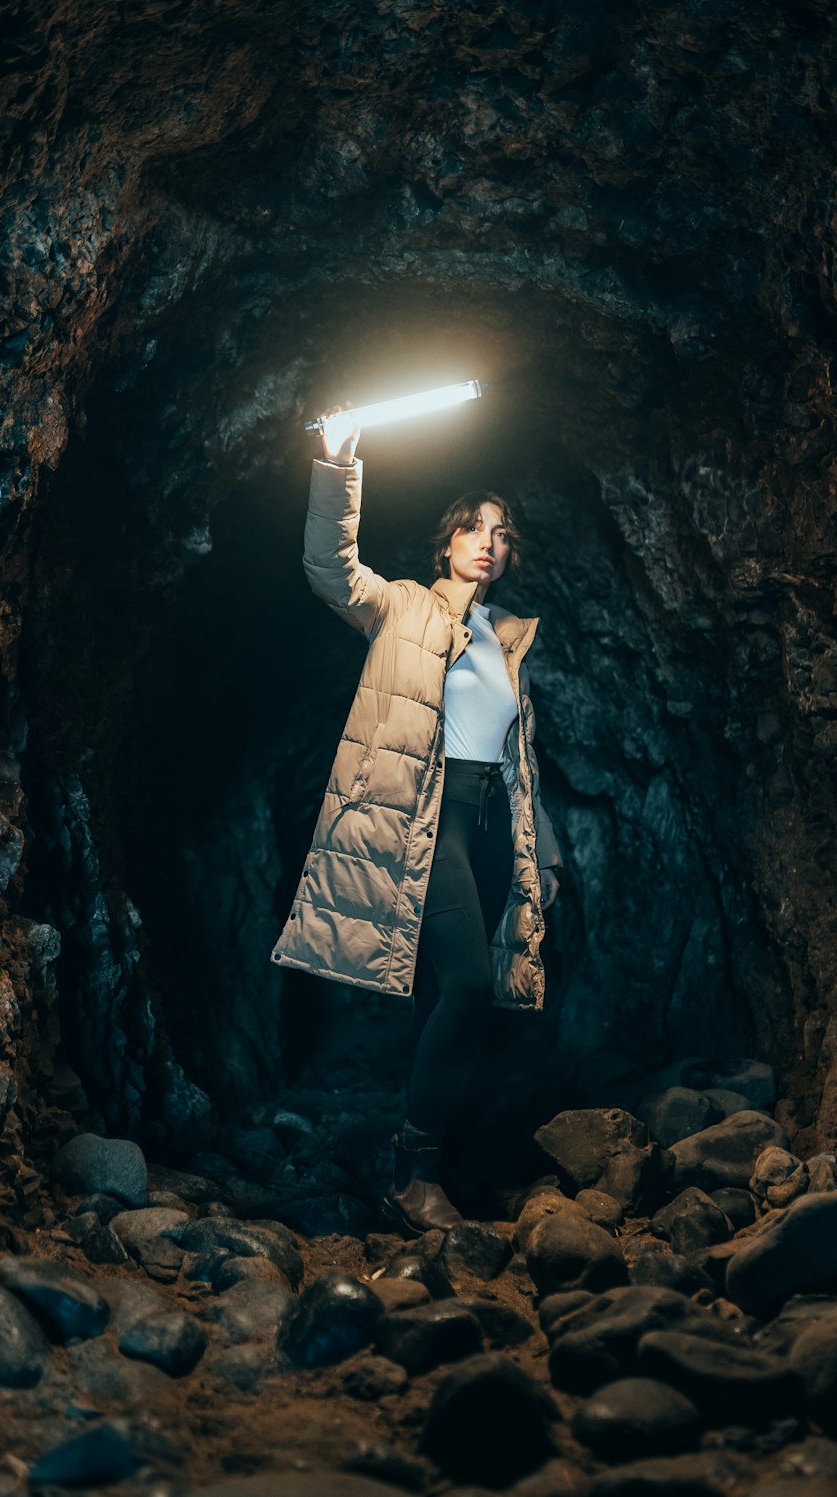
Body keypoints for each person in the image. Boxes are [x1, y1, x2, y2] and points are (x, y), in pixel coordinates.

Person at [271, 406, 561, 1236]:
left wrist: (545, 860)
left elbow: (518, 762)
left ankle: (428, 1159)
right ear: (447, 543)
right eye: (472, 526)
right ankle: (414, 1169)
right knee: (467, 985)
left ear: (509, 556)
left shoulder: (506, 641)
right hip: (423, 823)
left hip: (485, 830)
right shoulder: (401, 607)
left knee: (449, 991)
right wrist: (337, 467)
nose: (486, 540)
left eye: (500, 533)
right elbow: (330, 567)